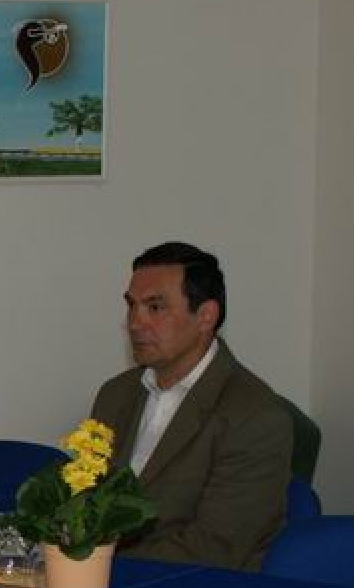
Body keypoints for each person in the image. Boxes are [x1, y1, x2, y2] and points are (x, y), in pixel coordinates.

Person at [90, 241, 293, 570]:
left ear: (206, 316)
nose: (135, 323)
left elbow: (215, 547)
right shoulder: (116, 394)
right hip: (103, 581)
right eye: (132, 306)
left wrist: (96, 565)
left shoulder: (255, 416)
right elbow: (86, 503)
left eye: (155, 308)